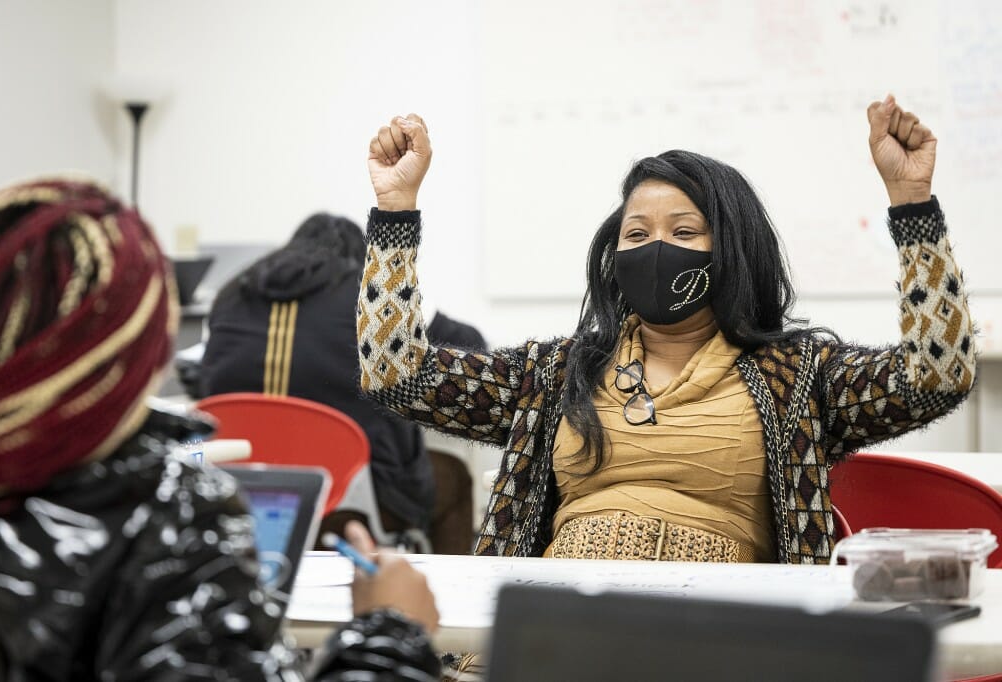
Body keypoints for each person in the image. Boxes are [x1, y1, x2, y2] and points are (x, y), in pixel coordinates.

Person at [356, 95, 976, 566]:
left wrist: (911, 202)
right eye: (636, 234)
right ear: (614, 256)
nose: (656, 249)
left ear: (730, 250)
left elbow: (938, 374)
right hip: (556, 627)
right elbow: (396, 376)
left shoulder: (796, 376)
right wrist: (395, 212)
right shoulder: (556, 374)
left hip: (715, 638)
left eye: (684, 233)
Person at [0, 179, 441, 680]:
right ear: (142, 347)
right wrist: (392, 634)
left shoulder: (235, 294)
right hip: (351, 504)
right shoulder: (167, 521)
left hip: (241, 466)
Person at [199, 213, 483, 553]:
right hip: (352, 504)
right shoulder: (368, 295)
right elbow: (471, 345)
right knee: (454, 476)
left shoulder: (231, 294)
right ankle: (441, 596)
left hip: (244, 496)